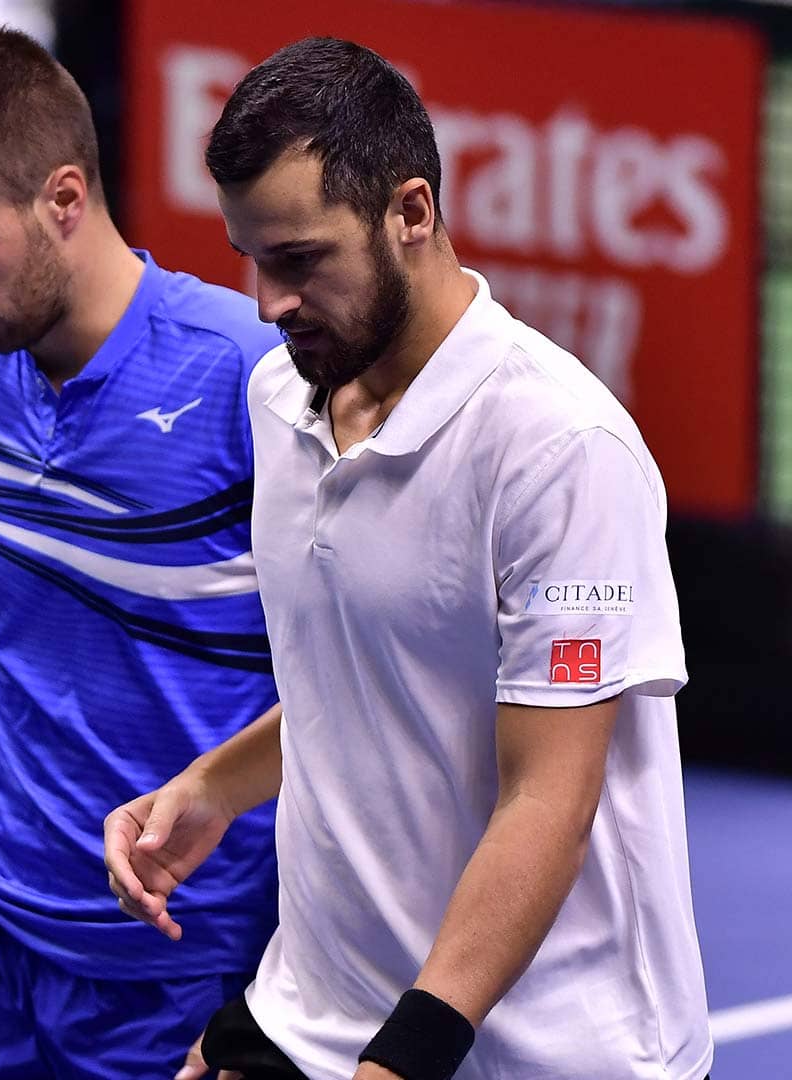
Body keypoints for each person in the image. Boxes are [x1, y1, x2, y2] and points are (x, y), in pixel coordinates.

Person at [105, 37, 712, 1080]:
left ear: (412, 213)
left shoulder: (564, 452)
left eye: (300, 260)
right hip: (329, 1026)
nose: (269, 303)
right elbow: (368, 688)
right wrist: (212, 789)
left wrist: (406, 1057)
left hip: (548, 1056)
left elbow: (548, 803)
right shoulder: (277, 402)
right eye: (253, 259)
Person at [0, 25, 283, 1080]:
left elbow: (350, 697)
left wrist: (270, 1010)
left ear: (62, 199)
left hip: (186, 971)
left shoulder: (252, 383)